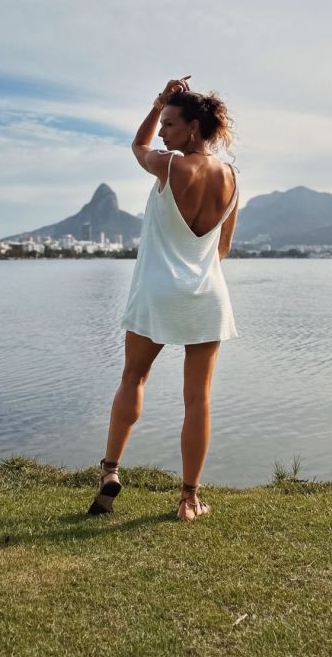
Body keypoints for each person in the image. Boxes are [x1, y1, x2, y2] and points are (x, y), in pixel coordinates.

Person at [87, 75, 240, 522]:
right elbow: (223, 248)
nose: (162, 133)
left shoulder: (170, 166)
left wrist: (157, 103)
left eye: (170, 124)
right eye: (162, 123)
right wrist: (194, 266)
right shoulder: (231, 177)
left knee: (133, 378)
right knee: (198, 399)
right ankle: (189, 499)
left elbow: (137, 145)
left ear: (193, 128)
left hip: (157, 291)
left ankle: (110, 471)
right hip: (207, 294)